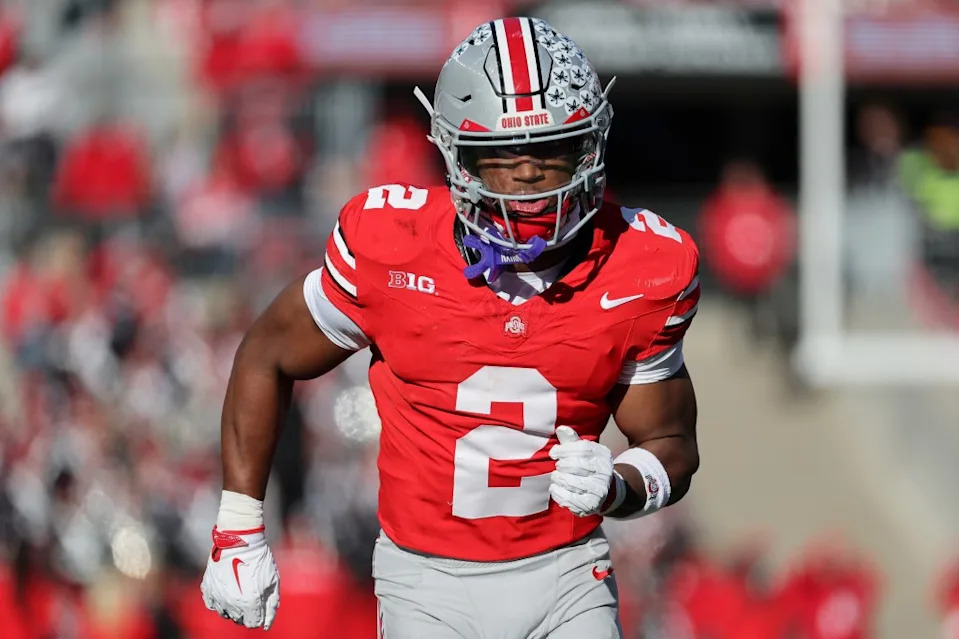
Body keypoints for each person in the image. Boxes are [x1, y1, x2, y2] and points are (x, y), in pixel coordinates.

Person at [200, 17, 701, 638]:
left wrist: (618, 487)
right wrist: (239, 526)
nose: (527, 174)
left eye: (552, 148)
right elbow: (267, 355)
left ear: (590, 147)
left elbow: (672, 445)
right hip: (426, 583)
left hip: (569, 574)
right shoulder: (392, 247)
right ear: (457, 156)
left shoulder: (645, 267)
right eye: (501, 155)